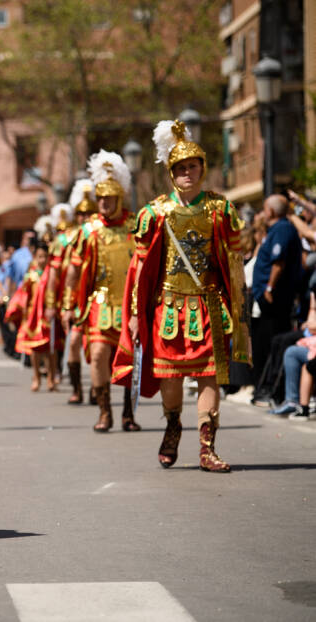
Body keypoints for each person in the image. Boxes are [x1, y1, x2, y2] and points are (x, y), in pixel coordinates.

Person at [114, 119, 249, 473]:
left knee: (209, 377)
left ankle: (207, 449)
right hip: (169, 308)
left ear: (202, 168)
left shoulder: (221, 209)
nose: (187, 172)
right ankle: (173, 423)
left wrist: (238, 307)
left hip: (209, 307)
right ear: (171, 172)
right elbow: (141, 269)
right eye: (180, 167)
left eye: (193, 166)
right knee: (171, 381)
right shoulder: (155, 212)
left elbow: (234, 261)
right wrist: (133, 313)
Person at [64, 150, 140, 433]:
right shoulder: (88, 231)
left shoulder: (136, 226)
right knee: (98, 355)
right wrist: (67, 305)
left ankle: (128, 413)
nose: (104, 203)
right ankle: (105, 411)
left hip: (130, 304)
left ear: (120, 197)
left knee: (131, 360)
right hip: (100, 302)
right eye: (101, 198)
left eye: (109, 197)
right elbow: (73, 271)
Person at [47, 180, 98, 404]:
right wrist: (51, 303)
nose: (84, 217)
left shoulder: (99, 233)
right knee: (75, 341)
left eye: (89, 213)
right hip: (75, 298)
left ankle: (98, 387)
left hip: (98, 296)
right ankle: (77, 387)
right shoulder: (63, 239)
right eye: (80, 213)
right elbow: (54, 275)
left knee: (100, 345)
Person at [250, 194, 303, 388]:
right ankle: (264, 385)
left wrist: (269, 288)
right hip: (268, 298)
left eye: (264, 209)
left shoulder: (282, 229)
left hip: (275, 298)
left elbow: (278, 263)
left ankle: (270, 386)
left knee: (272, 339)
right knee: (264, 340)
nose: (263, 213)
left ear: (271, 211)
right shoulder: (274, 230)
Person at [14, 242, 61, 390]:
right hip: (33, 316)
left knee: (50, 348)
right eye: (39, 256)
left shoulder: (53, 273)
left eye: (45, 256)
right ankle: (36, 376)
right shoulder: (31, 275)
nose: (42, 260)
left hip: (48, 314)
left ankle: (51, 377)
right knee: (34, 348)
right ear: (35, 257)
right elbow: (24, 295)